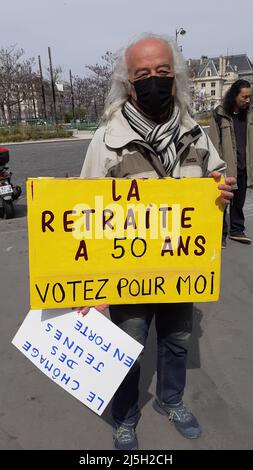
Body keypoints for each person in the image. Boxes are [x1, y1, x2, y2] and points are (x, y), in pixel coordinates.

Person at [79, 33, 235, 450]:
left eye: (162, 72)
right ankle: (125, 417)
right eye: (143, 74)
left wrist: (220, 192)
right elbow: (83, 211)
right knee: (126, 346)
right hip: (126, 273)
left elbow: (215, 180)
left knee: (177, 341)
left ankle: (171, 401)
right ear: (129, 83)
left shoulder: (194, 134)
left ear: (176, 75)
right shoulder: (106, 140)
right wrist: (91, 286)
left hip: (181, 268)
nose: (154, 80)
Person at [209, 79, 253, 247]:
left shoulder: (250, 114)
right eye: (244, 97)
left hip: (244, 166)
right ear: (235, 95)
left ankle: (237, 230)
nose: (248, 100)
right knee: (223, 203)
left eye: (250, 97)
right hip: (226, 167)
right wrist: (216, 167)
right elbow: (213, 143)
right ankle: (220, 235)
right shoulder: (219, 114)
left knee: (239, 201)